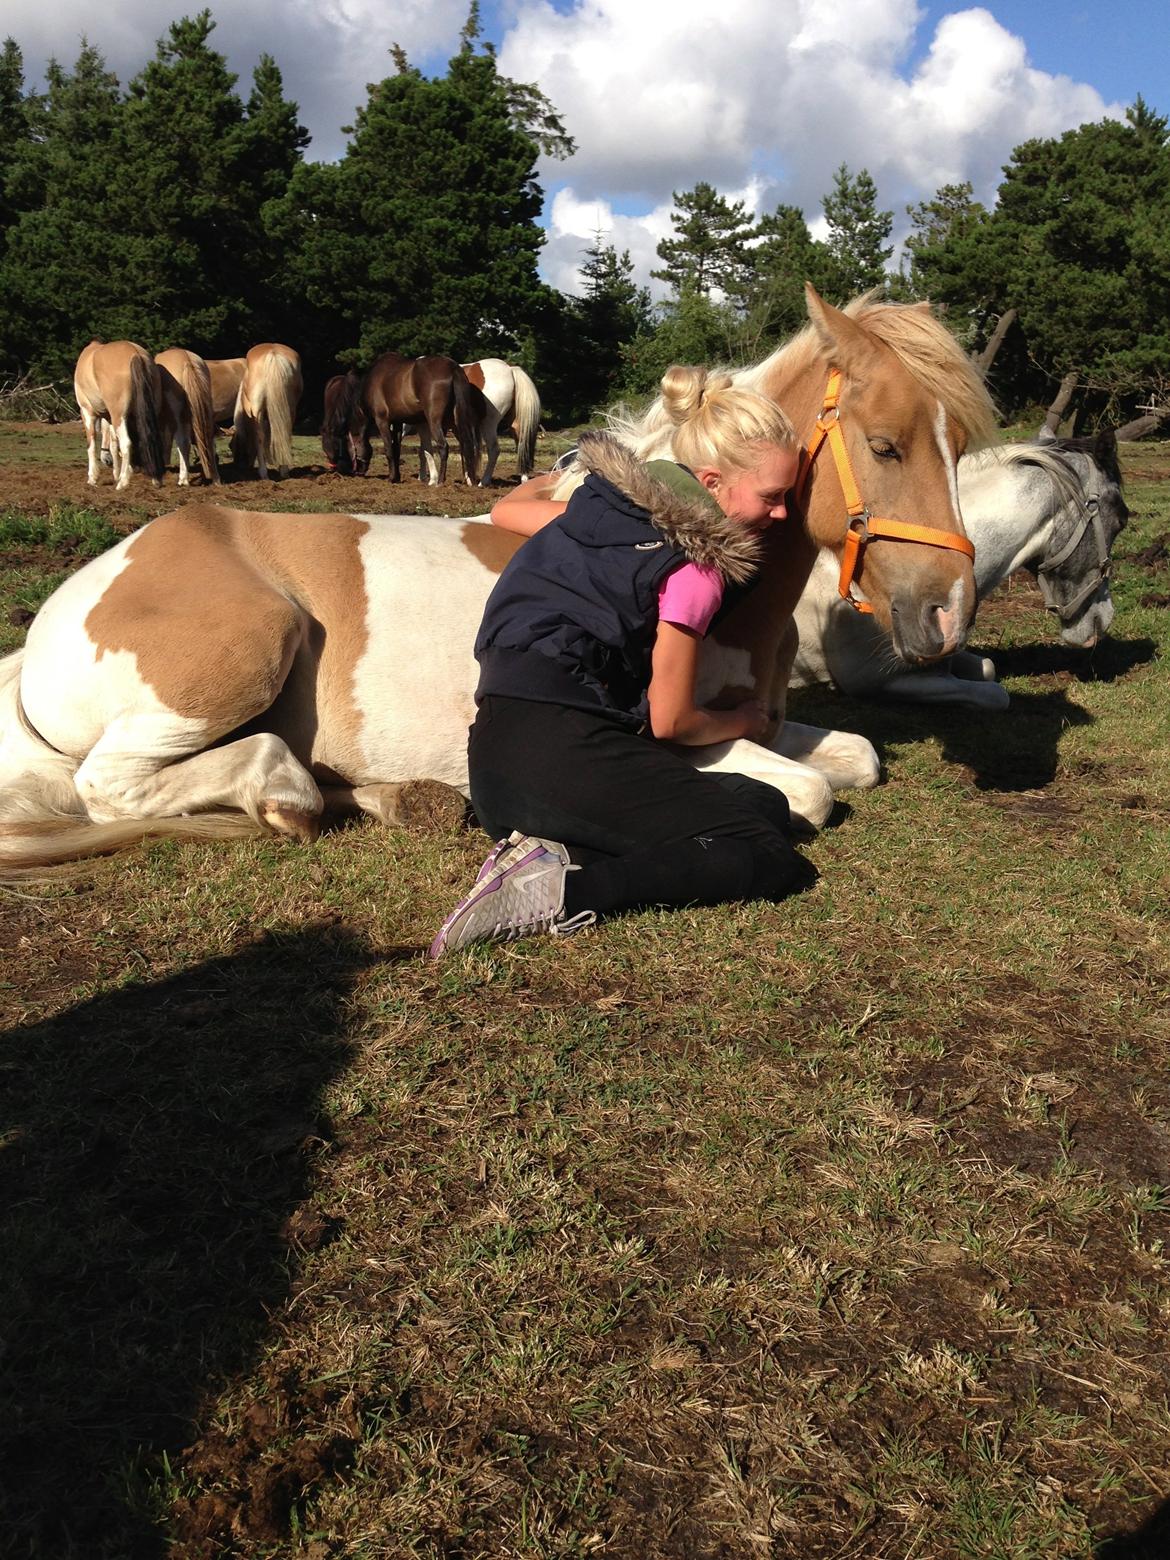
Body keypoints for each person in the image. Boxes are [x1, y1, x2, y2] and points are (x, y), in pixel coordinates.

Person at [427, 365, 805, 959]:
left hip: (497, 765)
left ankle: (548, 852)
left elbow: (508, 512)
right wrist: (743, 721)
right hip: (563, 754)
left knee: (768, 802)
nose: (781, 515)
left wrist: (540, 481)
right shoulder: (694, 569)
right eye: (773, 497)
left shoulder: (588, 514)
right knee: (767, 851)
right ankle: (566, 890)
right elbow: (671, 723)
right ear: (712, 481)